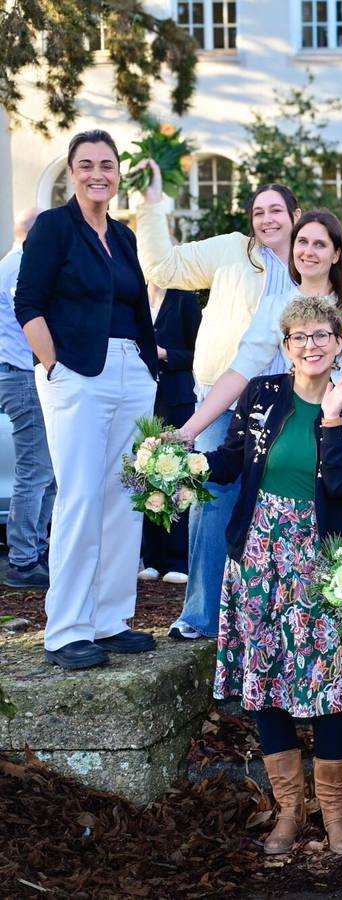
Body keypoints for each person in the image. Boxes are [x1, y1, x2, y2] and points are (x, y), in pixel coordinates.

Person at [206, 297, 342, 857]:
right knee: (266, 676)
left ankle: (336, 813)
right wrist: (184, 458)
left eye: (321, 334)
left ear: (338, 341)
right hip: (257, 555)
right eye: (299, 336)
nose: (310, 345)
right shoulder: (262, 393)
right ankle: (289, 810)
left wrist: (332, 417)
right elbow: (231, 460)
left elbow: (341, 484)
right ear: (286, 345)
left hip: (321, 560)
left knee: (328, 680)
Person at [135, 160, 301, 642]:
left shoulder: (310, 264)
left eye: (276, 210)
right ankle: (200, 616)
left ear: (295, 215)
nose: (266, 219)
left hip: (287, 404)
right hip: (221, 400)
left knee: (277, 505)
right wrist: (152, 205)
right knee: (210, 501)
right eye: (258, 212)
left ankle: (266, 620)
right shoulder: (231, 251)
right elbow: (163, 266)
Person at [14, 130, 159, 671]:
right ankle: (67, 628)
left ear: (118, 173)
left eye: (107, 164)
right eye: (87, 164)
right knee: (79, 496)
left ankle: (110, 619)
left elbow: (135, 306)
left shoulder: (123, 236)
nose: (98, 173)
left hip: (131, 372)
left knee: (125, 495)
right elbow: (28, 303)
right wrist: (53, 363)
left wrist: (145, 360)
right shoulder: (54, 227)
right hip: (76, 371)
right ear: (72, 173)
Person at [174, 209, 342, 442]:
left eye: (320, 244)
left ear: (336, 254)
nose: (308, 251)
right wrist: (187, 431)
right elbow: (239, 372)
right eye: (302, 242)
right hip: (305, 428)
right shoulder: (276, 306)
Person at [0, 206, 54, 589]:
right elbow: (31, 320)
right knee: (35, 471)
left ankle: (37, 549)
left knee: (46, 471)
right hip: (22, 375)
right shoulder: (20, 267)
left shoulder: (14, 262)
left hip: (23, 373)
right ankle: (23, 560)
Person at [138, 283, 202, 584]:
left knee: (178, 475)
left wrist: (166, 354)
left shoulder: (185, 300)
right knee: (146, 474)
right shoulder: (134, 296)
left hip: (177, 400)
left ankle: (178, 559)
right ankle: (152, 558)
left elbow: (199, 354)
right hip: (142, 401)